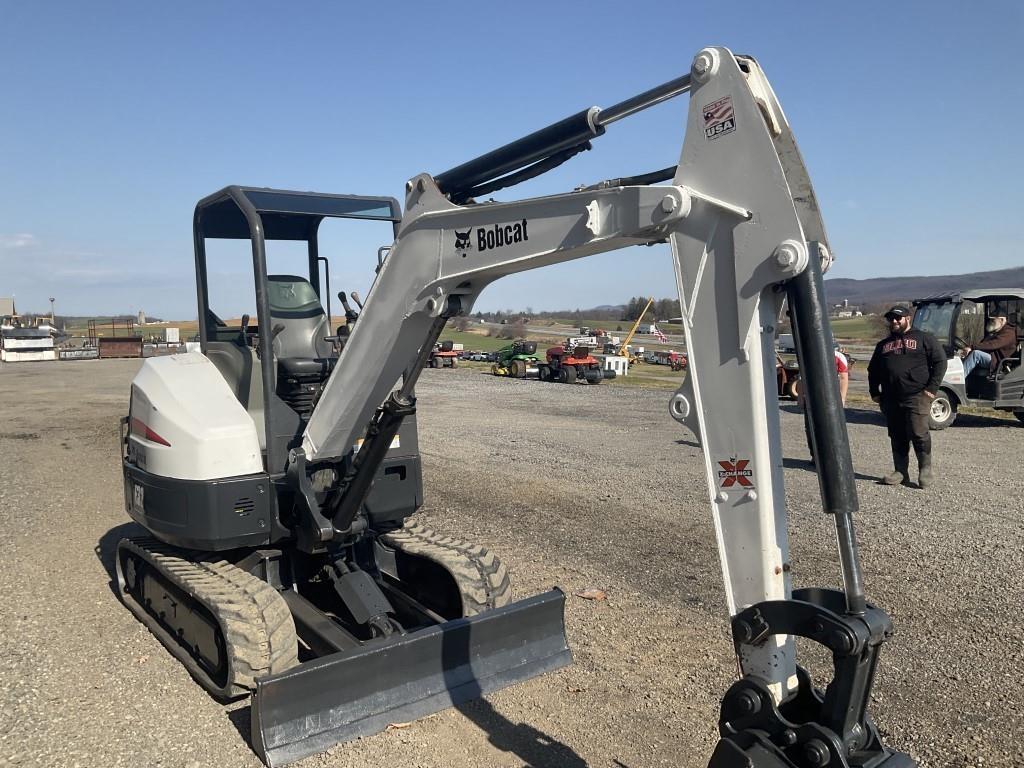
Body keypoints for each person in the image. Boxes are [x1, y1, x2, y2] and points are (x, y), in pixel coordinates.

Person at [867, 306, 946, 489]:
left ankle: (925, 470)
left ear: (907, 319)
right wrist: (875, 392)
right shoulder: (883, 345)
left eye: (898, 318)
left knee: (918, 433)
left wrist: (931, 389)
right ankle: (900, 471)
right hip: (891, 397)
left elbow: (940, 361)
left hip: (917, 395)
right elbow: (873, 370)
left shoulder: (924, 338)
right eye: (891, 319)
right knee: (897, 434)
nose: (894, 322)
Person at [801, 347, 849, 463]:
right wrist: (801, 397)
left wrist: (842, 398)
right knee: (810, 427)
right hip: (811, 397)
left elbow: (844, 378)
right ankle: (815, 456)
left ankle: (832, 456)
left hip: (831, 398)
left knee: (831, 426)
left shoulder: (838, 356)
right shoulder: (808, 354)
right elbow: (801, 376)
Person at [960, 309, 1017, 377]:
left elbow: (993, 344)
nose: (990, 322)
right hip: (992, 357)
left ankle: (958, 382)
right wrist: (968, 350)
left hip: (999, 362)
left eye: (993, 320)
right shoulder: (996, 332)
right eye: (990, 320)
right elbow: (984, 344)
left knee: (976, 354)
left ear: (1002, 320)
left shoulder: (1009, 332)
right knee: (965, 355)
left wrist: (972, 347)